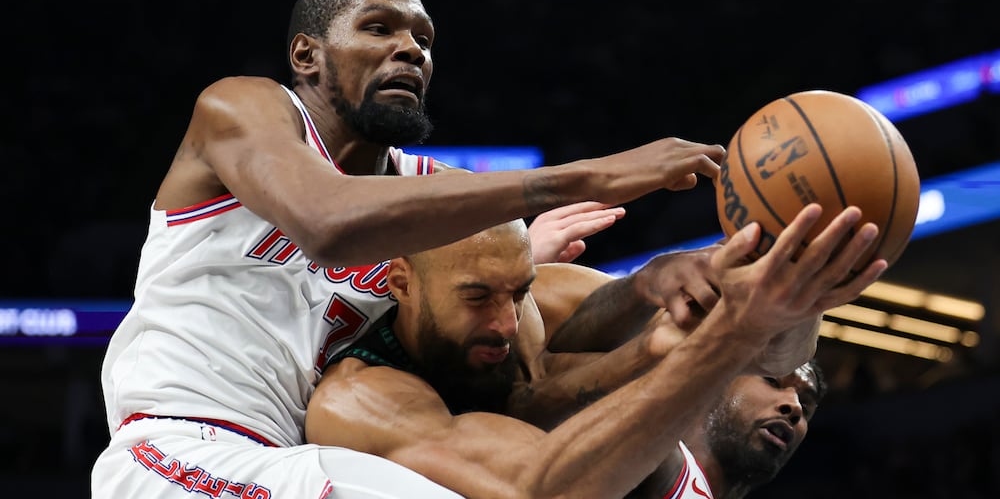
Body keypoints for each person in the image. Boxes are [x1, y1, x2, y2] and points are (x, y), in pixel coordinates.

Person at [92, 0, 731, 498]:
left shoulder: (435, 191)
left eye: (424, 40)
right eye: (379, 28)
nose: (411, 50)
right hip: (184, 446)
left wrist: (509, 268)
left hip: (309, 450)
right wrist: (588, 176)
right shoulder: (244, 108)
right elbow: (327, 222)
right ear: (305, 54)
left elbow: (524, 376)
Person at [306, 202, 885, 498]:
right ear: (399, 282)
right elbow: (543, 488)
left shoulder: (528, 299)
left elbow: (778, 357)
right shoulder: (361, 399)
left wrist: (801, 272)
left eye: (520, 291)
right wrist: (719, 339)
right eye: (478, 296)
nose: (508, 321)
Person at [627, 361, 826, 499]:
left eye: (806, 406)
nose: (796, 407)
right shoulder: (655, 459)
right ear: (716, 381)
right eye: (772, 381)